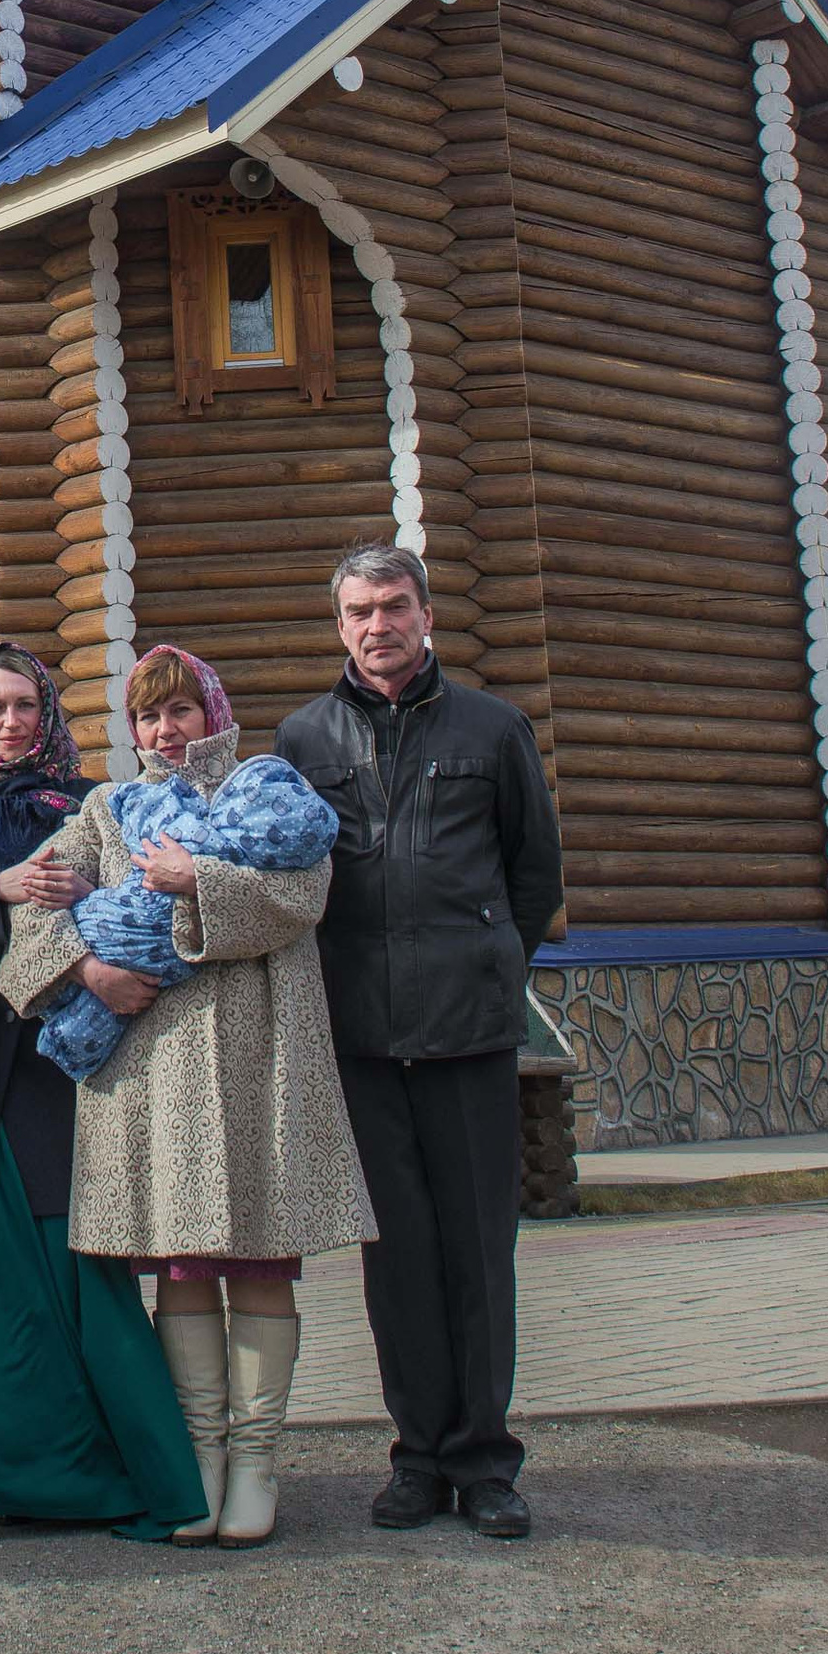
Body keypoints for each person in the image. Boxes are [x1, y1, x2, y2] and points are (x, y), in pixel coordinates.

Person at [0, 645, 372, 1547]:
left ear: (213, 712)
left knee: (261, 1256)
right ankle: (199, 1456)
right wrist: (89, 970)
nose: (165, 731)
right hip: (155, 1068)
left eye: (180, 711)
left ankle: (257, 1460)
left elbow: (304, 893)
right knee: (183, 1260)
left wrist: (193, 879)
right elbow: (33, 905)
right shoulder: (109, 809)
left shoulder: (263, 789)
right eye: (147, 715)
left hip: (259, 1053)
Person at [276, 543, 563, 1541]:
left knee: (478, 1252)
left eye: (394, 605)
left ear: (426, 614)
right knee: (394, 1260)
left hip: (468, 1036)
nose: (378, 625)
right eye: (359, 610)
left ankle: (484, 1462)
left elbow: (533, 874)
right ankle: (417, 1457)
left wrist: (488, 963)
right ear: (339, 625)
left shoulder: (492, 728)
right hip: (361, 1037)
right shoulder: (303, 740)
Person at [0, 642, 204, 1544]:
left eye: (25, 704)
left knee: (80, 1269)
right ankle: (16, 1478)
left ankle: (119, 1476)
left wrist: (85, 891)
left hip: (56, 1056)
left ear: (49, 710)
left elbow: (136, 899)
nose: (10, 721)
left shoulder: (90, 799)